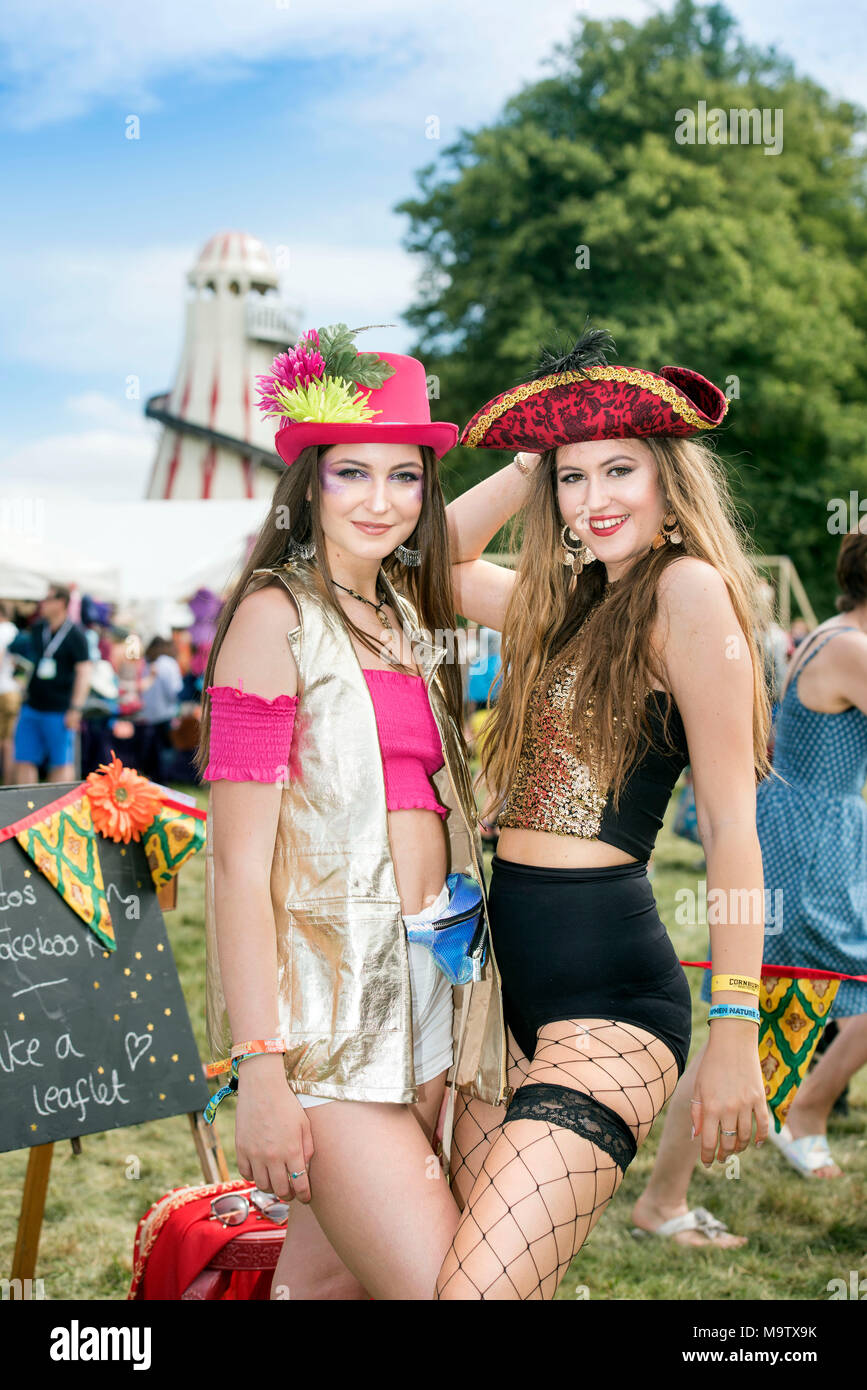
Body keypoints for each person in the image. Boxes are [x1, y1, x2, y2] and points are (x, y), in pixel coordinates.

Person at [434, 325, 771, 1297]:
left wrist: (736, 1029)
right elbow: (434, 562)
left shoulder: (689, 592)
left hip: (611, 1014)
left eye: (619, 469)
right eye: (572, 480)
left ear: (669, 476)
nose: (596, 498)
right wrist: (531, 457)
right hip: (504, 1007)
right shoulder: (567, 599)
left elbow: (733, 833)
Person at [197, 324, 508, 1301]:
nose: (381, 501)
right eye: (352, 474)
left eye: (406, 476)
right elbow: (236, 866)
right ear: (309, 483)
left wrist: (538, 458)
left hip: (437, 991)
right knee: (441, 1285)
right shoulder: (272, 619)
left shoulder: (411, 615)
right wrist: (263, 1070)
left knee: (325, 1283)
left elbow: (508, 571)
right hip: (325, 1026)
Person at [633, 524, 867, 1236]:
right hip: (802, 847)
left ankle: (799, 1115)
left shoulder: (836, 633)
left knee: (768, 1013)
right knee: (745, 1020)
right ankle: (664, 1199)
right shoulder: (851, 647)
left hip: (815, 838)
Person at [10, 584, 92, 784]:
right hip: (32, 705)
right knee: (24, 758)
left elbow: (85, 672)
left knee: (61, 762)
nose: (42, 604)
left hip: (61, 709)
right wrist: (20, 680)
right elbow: (23, 658)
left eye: (48, 599)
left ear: (61, 603)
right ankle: (28, 810)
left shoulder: (76, 635)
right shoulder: (38, 628)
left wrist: (76, 708)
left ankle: (58, 812)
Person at [133, 637, 182, 783]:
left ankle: (153, 780)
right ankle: (165, 781)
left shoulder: (148, 663)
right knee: (165, 752)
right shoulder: (169, 663)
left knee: (151, 752)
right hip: (165, 713)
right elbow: (174, 691)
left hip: (148, 714)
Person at [0, 601, 22, 783]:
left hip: (3, 690)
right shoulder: (15, 631)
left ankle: (7, 782)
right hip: (12, 690)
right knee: (9, 740)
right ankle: (8, 782)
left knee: (6, 740)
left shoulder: (2, 631)